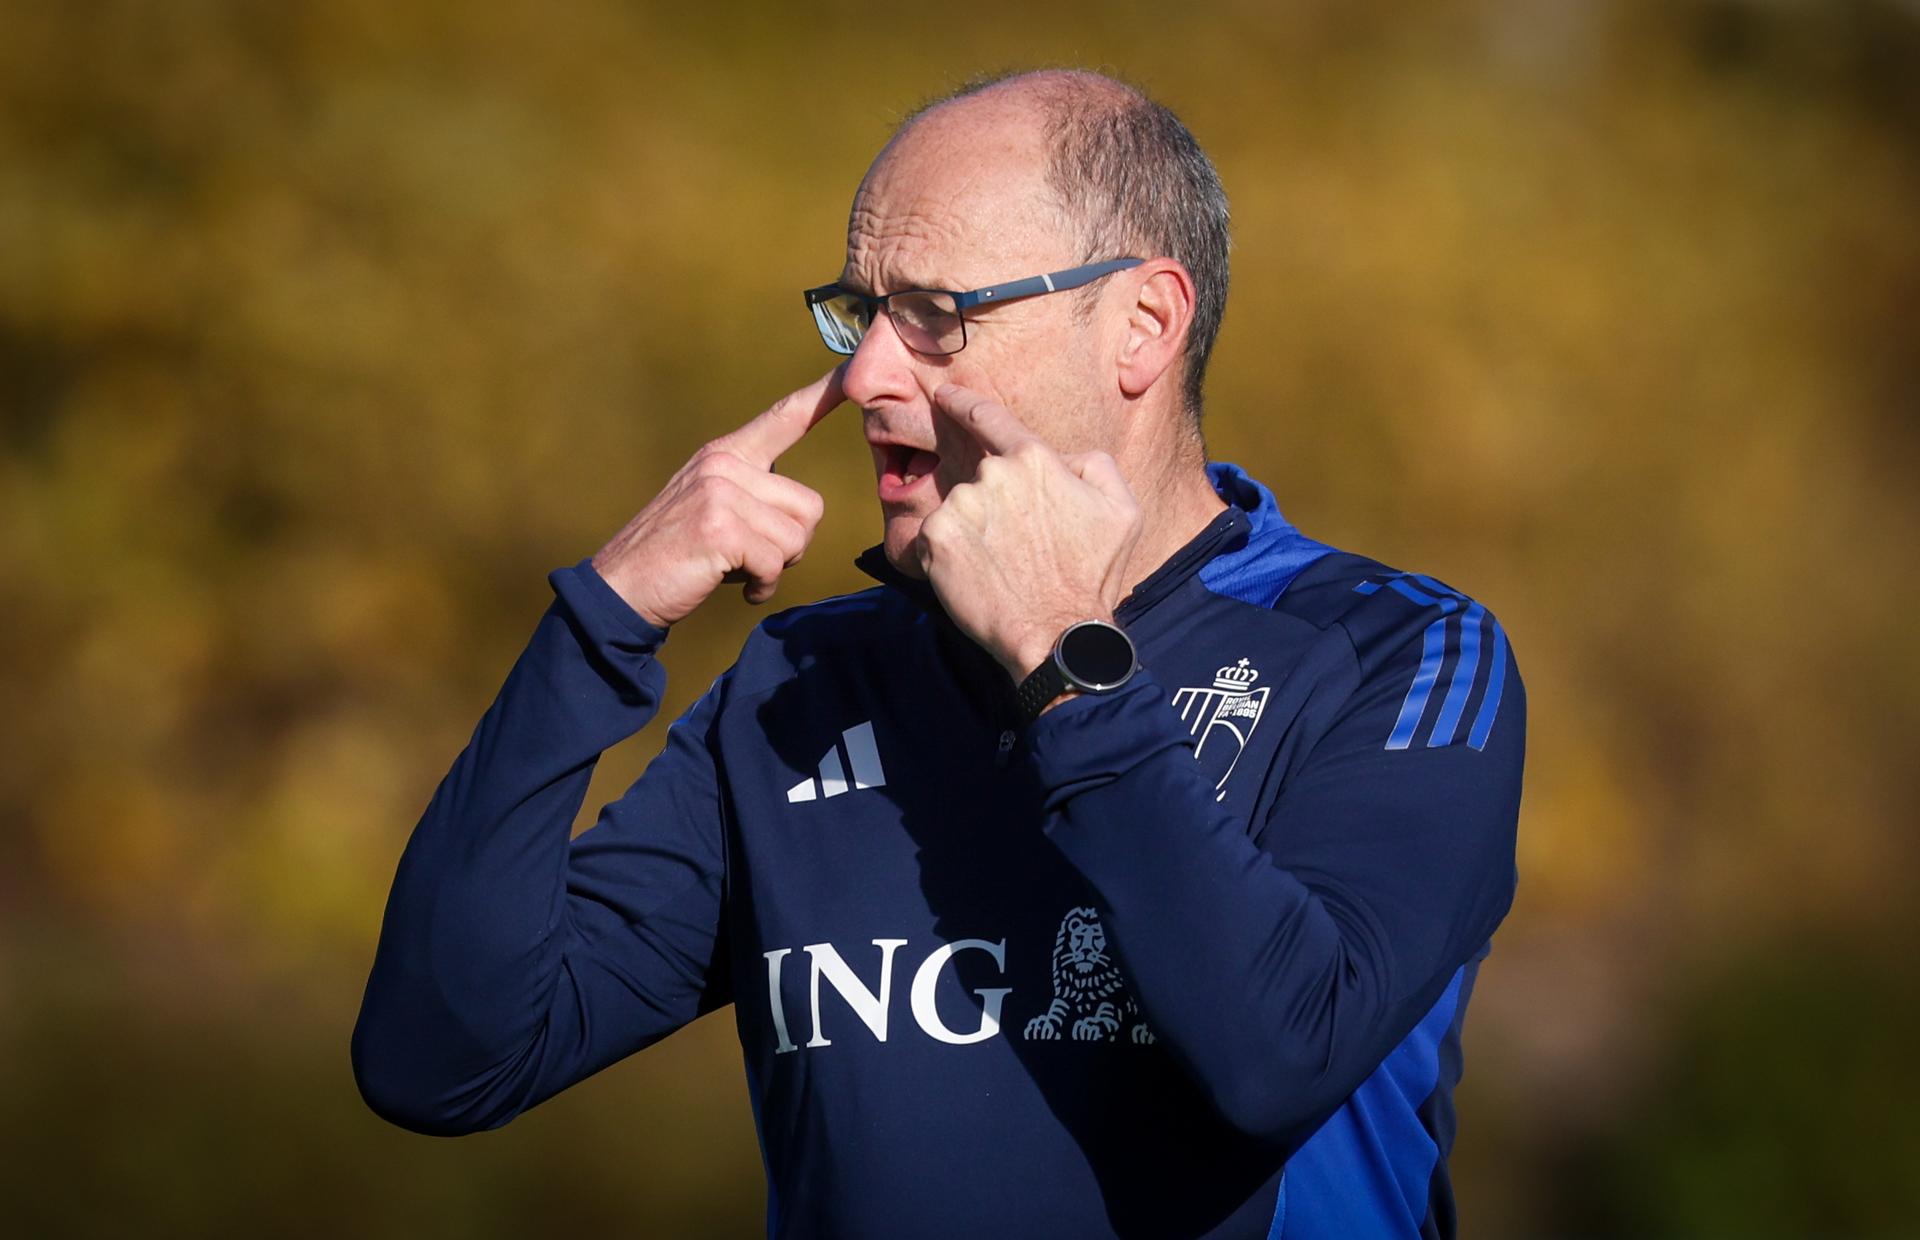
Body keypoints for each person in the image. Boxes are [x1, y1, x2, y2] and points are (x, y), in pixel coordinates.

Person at [352, 67, 1526, 1239]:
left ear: (1143, 326)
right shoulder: (801, 685)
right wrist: (596, 625)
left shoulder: (1398, 650)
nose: (867, 375)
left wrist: (1060, 660)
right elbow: (442, 1061)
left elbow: (1282, 1051)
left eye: (934, 316)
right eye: (861, 313)